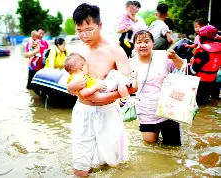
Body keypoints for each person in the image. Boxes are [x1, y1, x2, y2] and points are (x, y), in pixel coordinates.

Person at [68, 3, 137, 177]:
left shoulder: (115, 51)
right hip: (82, 112)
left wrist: (100, 99)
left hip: (108, 113)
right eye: (79, 30)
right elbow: (70, 86)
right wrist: (71, 88)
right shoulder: (77, 52)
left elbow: (131, 87)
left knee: (113, 166)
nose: (84, 35)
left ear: (100, 25)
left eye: (89, 29)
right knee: (80, 169)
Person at [129, 30, 185, 146]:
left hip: (168, 108)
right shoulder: (130, 63)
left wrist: (175, 57)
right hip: (146, 110)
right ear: (134, 46)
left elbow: (183, 68)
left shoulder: (164, 56)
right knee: (150, 147)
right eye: (139, 42)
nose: (143, 45)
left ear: (153, 43)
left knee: (172, 148)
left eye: (146, 41)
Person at [65, 53, 132, 104]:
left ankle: (127, 82)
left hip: (101, 85)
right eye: (86, 65)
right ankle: (126, 99)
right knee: (119, 81)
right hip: (102, 89)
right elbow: (84, 93)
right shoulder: (79, 79)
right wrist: (97, 87)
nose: (88, 68)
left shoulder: (75, 78)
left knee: (113, 72)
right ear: (81, 66)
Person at [187, 25, 221, 105]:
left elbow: (193, 70)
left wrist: (187, 66)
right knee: (205, 103)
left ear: (201, 37)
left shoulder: (202, 51)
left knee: (196, 105)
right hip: (211, 81)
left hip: (199, 83)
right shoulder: (219, 48)